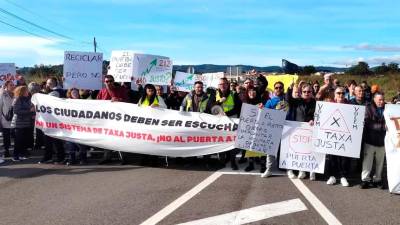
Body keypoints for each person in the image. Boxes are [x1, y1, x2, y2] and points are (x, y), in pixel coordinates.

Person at [286, 83, 317, 180]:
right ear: (301, 92)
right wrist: (290, 89)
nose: (307, 93)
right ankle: (290, 170)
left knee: (306, 150)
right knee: (295, 150)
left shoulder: (315, 103)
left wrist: (313, 119)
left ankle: (305, 170)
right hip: (297, 129)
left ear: (312, 92)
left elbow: (318, 115)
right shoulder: (297, 101)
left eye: (309, 91)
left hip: (309, 130)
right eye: (304, 91)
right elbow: (288, 100)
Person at [96, 75, 129, 164]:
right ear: (104, 82)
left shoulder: (121, 90)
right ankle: (107, 157)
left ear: (113, 81)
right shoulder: (102, 91)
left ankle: (124, 158)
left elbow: (128, 102)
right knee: (106, 138)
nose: (109, 83)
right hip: (106, 120)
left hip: (119, 120)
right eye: (107, 81)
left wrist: (119, 100)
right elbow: (96, 104)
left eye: (110, 81)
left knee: (120, 138)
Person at [261, 81, 289, 178]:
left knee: (286, 149)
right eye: (276, 87)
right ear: (274, 89)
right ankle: (269, 169)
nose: (278, 89)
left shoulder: (288, 99)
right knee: (270, 150)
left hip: (287, 128)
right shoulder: (270, 101)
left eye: (280, 87)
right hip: (273, 128)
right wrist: (262, 109)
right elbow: (265, 114)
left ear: (283, 89)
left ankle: (288, 169)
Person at [325, 87, 351, 187]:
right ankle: (332, 176)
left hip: (344, 136)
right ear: (335, 94)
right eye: (338, 93)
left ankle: (343, 176)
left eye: (342, 93)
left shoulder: (350, 106)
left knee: (344, 158)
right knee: (332, 157)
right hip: (332, 136)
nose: (340, 95)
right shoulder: (329, 105)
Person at [360, 92, 386, 189]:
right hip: (370, 140)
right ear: (374, 99)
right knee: (367, 161)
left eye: (383, 99)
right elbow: (368, 123)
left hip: (382, 141)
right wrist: (383, 127)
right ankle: (365, 180)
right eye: (380, 100)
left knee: (380, 162)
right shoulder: (368, 108)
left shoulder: (387, 108)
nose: (382, 102)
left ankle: (377, 180)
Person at [215, 78, 242, 170]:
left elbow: (238, 107)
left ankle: (232, 161)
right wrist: (220, 101)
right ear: (218, 85)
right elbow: (211, 106)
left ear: (228, 85)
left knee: (232, 142)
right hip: (219, 122)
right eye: (221, 84)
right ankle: (222, 161)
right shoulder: (214, 94)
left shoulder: (233, 94)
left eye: (225, 84)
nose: (223, 86)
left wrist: (226, 114)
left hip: (232, 120)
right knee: (220, 141)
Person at [40, 77, 66, 164]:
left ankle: (58, 157)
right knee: (52, 139)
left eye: (50, 83)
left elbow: (46, 103)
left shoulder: (55, 92)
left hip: (53, 120)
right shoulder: (60, 90)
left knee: (53, 139)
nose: (48, 84)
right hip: (54, 119)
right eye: (47, 83)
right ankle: (52, 157)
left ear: (55, 83)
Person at [64, 88, 88, 165]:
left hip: (81, 126)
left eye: (76, 92)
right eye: (73, 93)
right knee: (70, 143)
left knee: (81, 143)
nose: (75, 94)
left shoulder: (83, 102)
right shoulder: (65, 103)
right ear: (70, 94)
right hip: (70, 126)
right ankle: (72, 159)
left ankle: (83, 159)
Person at [11, 85, 34, 161]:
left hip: (26, 123)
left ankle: (21, 154)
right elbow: (16, 111)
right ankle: (15, 156)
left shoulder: (28, 99)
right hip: (18, 124)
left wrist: (32, 113)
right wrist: (29, 111)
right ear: (22, 92)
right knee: (18, 140)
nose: (28, 92)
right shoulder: (17, 99)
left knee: (23, 140)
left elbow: (30, 109)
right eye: (26, 91)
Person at [243, 85, 263, 172]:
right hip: (248, 128)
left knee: (261, 146)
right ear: (247, 93)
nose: (252, 93)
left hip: (260, 128)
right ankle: (250, 164)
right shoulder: (245, 102)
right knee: (249, 147)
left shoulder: (261, 101)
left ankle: (263, 165)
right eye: (250, 91)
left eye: (254, 91)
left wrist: (263, 108)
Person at [0, 81, 15, 159]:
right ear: (6, 86)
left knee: (15, 135)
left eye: (13, 85)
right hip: (5, 119)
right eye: (11, 85)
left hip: (15, 118)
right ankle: (6, 151)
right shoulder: (3, 94)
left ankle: (16, 150)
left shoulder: (16, 93)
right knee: (6, 136)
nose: (13, 86)